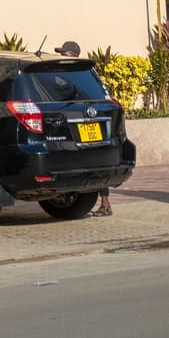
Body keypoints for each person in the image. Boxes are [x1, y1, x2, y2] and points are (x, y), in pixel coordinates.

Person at [55, 41, 112, 217]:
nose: (62, 57)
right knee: (94, 162)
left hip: (84, 123)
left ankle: (105, 203)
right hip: (86, 121)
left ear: (73, 55)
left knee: (96, 163)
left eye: (65, 54)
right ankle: (104, 203)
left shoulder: (74, 75)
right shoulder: (87, 74)